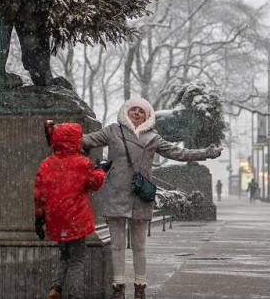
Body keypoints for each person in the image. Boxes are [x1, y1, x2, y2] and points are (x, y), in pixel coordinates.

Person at [82, 98, 223, 299]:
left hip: (141, 195)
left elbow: (178, 153)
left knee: (139, 245)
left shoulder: (153, 137)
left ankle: (140, 286)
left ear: (147, 115)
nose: (137, 113)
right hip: (116, 193)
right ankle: (118, 287)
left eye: (142, 111)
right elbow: (87, 140)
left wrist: (206, 153)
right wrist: (59, 134)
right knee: (117, 244)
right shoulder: (113, 131)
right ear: (126, 112)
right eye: (133, 110)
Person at [35, 123, 110, 299]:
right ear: (76, 140)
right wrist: (101, 169)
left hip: (56, 218)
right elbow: (95, 184)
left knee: (64, 256)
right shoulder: (82, 163)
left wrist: (39, 218)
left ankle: (56, 288)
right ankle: (73, 295)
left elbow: (39, 194)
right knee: (77, 260)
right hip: (77, 220)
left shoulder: (46, 164)